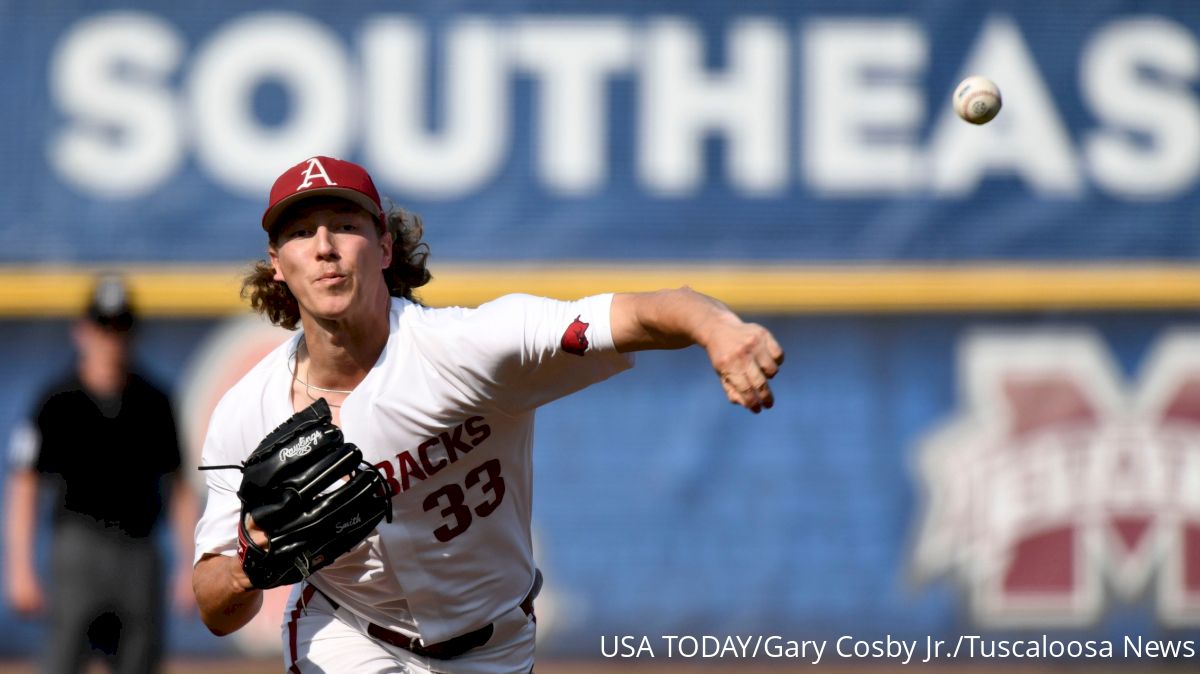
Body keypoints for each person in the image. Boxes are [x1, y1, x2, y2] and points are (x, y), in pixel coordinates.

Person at [192, 156, 784, 673]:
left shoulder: (468, 348)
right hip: (346, 634)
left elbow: (642, 312)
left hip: (494, 644)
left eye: (346, 226)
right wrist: (253, 558)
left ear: (385, 246)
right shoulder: (248, 413)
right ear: (277, 262)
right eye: (300, 233)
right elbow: (214, 605)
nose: (324, 246)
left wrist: (718, 329)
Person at [4, 274, 199, 674]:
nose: (111, 339)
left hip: (139, 552)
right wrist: (19, 569)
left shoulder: (155, 401)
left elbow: (179, 487)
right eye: (102, 327)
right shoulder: (57, 401)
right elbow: (24, 485)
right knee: (62, 660)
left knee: (139, 662)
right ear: (82, 331)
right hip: (78, 551)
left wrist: (189, 564)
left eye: (120, 328)